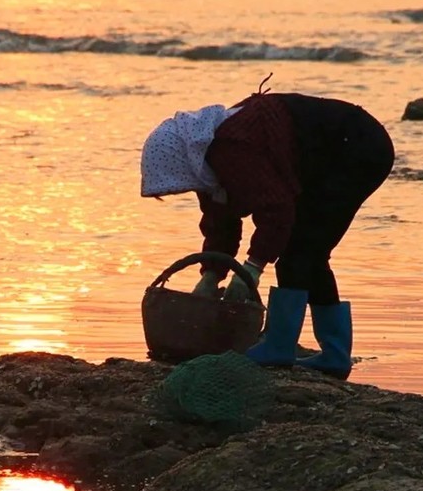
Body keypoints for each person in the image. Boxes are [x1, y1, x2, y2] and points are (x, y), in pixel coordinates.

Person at [140, 76, 395, 379]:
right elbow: (220, 223)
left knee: (300, 249)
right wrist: (211, 275)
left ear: (181, 163)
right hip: (329, 155)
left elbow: (277, 210)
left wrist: (251, 269)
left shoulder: (232, 147)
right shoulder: (205, 161)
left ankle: (281, 346)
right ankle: (333, 355)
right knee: (308, 253)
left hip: (355, 148)